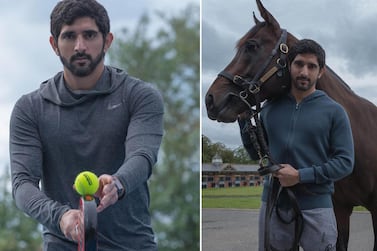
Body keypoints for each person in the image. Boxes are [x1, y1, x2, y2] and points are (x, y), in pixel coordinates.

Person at [9, 0, 164, 250]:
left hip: (133, 244)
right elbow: (22, 183)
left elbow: (143, 155)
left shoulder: (140, 96)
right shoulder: (30, 109)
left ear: (108, 40)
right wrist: (60, 217)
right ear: (54, 45)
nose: (80, 46)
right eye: (69, 36)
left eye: (89, 35)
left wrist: (117, 184)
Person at [238, 39, 354, 251]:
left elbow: (345, 163)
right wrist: (244, 122)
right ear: (289, 66)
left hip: (317, 207)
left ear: (321, 72)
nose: (304, 72)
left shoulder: (334, 112)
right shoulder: (269, 109)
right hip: (274, 205)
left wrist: (301, 175)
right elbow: (257, 154)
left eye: (312, 66)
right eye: (299, 64)